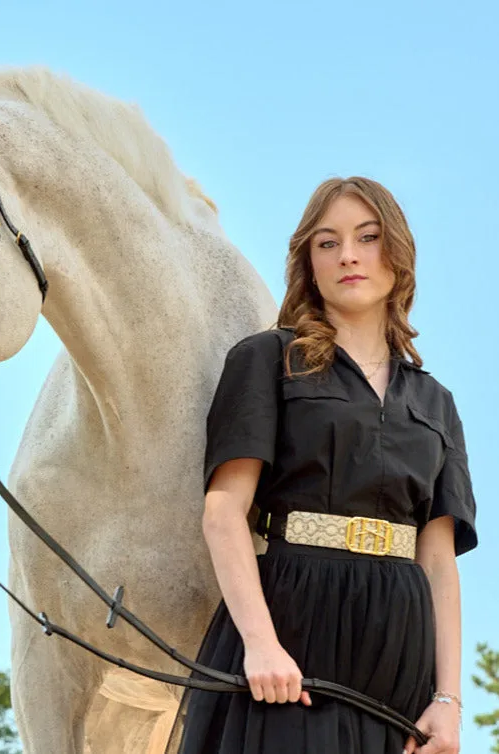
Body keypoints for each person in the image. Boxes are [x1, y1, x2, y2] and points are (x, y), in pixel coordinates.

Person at [166, 177, 477, 754]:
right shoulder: (265, 359)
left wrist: (447, 700)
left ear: (398, 254)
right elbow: (223, 512)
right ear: (309, 261)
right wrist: (260, 643)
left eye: (368, 237)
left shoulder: (437, 403)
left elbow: (438, 560)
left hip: (397, 655)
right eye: (327, 243)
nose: (349, 255)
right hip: (291, 635)